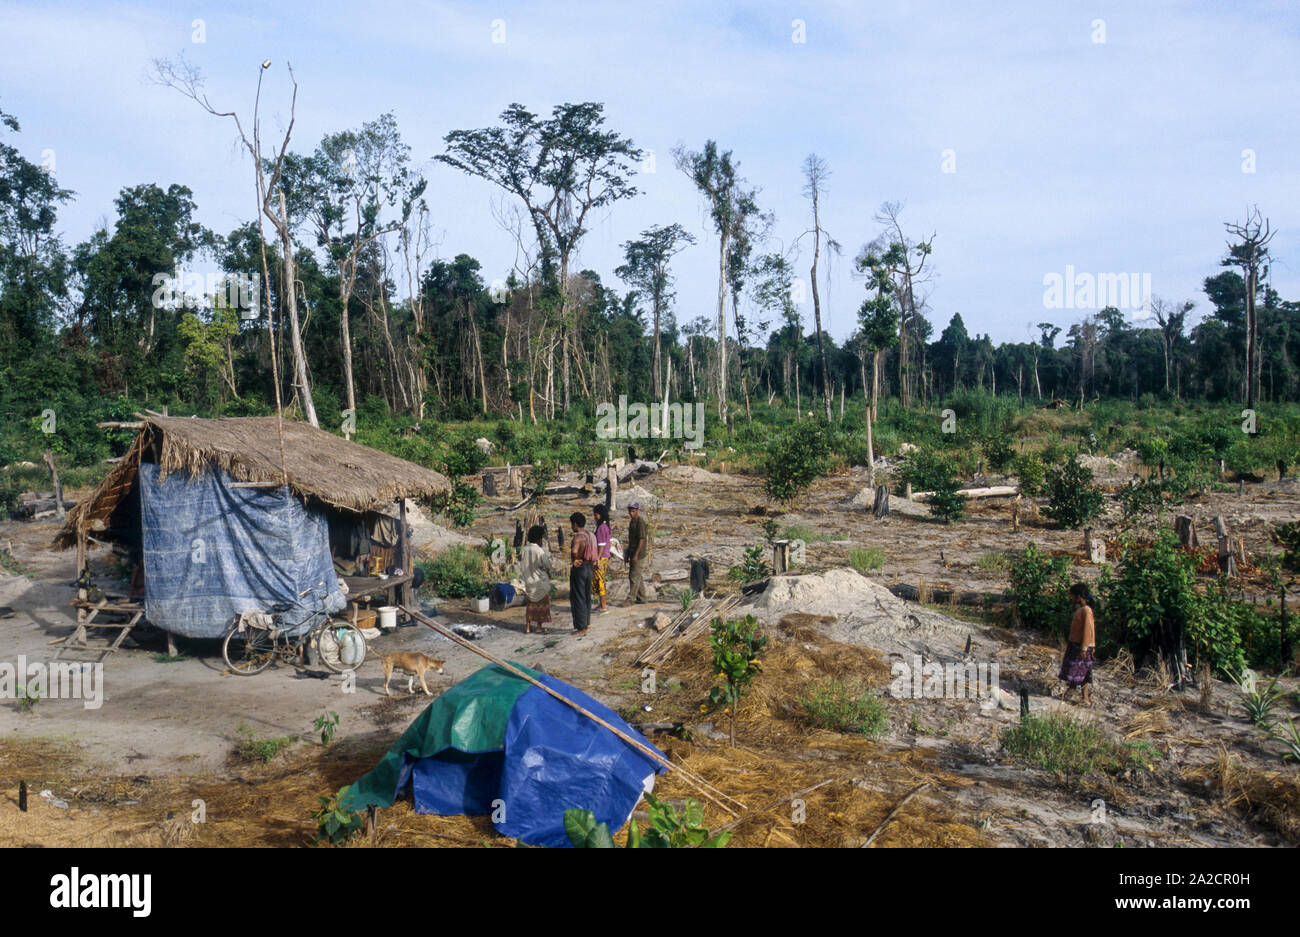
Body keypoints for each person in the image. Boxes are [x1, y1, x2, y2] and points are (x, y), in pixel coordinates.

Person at [1059, 582, 1096, 706]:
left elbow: (1088, 630)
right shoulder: (1083, 610)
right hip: (1079, 645)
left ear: (1079, 596)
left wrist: (1085, 648)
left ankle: (1081, 697)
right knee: (1080, 672)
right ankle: (1079, 696)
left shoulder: (1086, 610)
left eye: (1073, 596)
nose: (1071, 599)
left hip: (1081, 646)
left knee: (1081, 672)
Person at [520, 525, 555, 635]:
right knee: (541, 605)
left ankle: (528, 627)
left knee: (530, 605)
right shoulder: (539, 550)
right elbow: (547, 565)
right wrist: (549, 573)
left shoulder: (524, 549)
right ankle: (539, 627)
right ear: (539, 538)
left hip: (528, 581)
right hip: (539, 581)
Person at [569, 512, 598, 634]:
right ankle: (586, 624)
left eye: (572, 524)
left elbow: (574, 551)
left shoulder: (578, 537)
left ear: (575, 524)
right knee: (586, 596)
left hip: (580, 568)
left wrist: (574, 560)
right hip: (589, 567)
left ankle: (581, 627)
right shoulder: (591, 535)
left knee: (578, 597)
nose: (571, 527)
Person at [626, 501, 649, 604]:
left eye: (633, 511)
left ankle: (631, 598)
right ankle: (642, 597)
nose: (631, 513)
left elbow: (642, 540)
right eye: (630, 511)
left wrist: (635, 555)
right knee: (637, 575)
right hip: (633, 552)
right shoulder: (632, 522)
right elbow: (632, 540)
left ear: (637, 511)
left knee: (633, 576)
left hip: (639, 554)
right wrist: (628, 553)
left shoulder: (640, 523)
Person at [592, 503, 612, 614]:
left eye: (596, 515)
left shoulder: (601, 528)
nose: (595, 517)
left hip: (602, 557)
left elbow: (601, 545)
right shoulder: (606, 526)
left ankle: (603, 605)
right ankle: (601, 603)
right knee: (601, 580)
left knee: (600, 581)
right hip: (605, 556)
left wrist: (597, 559)